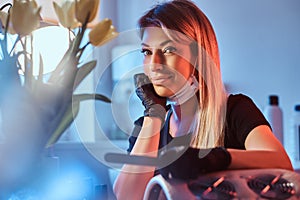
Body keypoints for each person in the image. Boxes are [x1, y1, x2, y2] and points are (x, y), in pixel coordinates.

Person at [113, 0, 293, 199]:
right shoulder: (146, 127)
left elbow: (281, 161)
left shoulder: (235, 110)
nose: (154, 64)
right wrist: (153, 116)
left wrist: (213, 159)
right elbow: (127, 196)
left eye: (168, 50)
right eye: (147, 52)